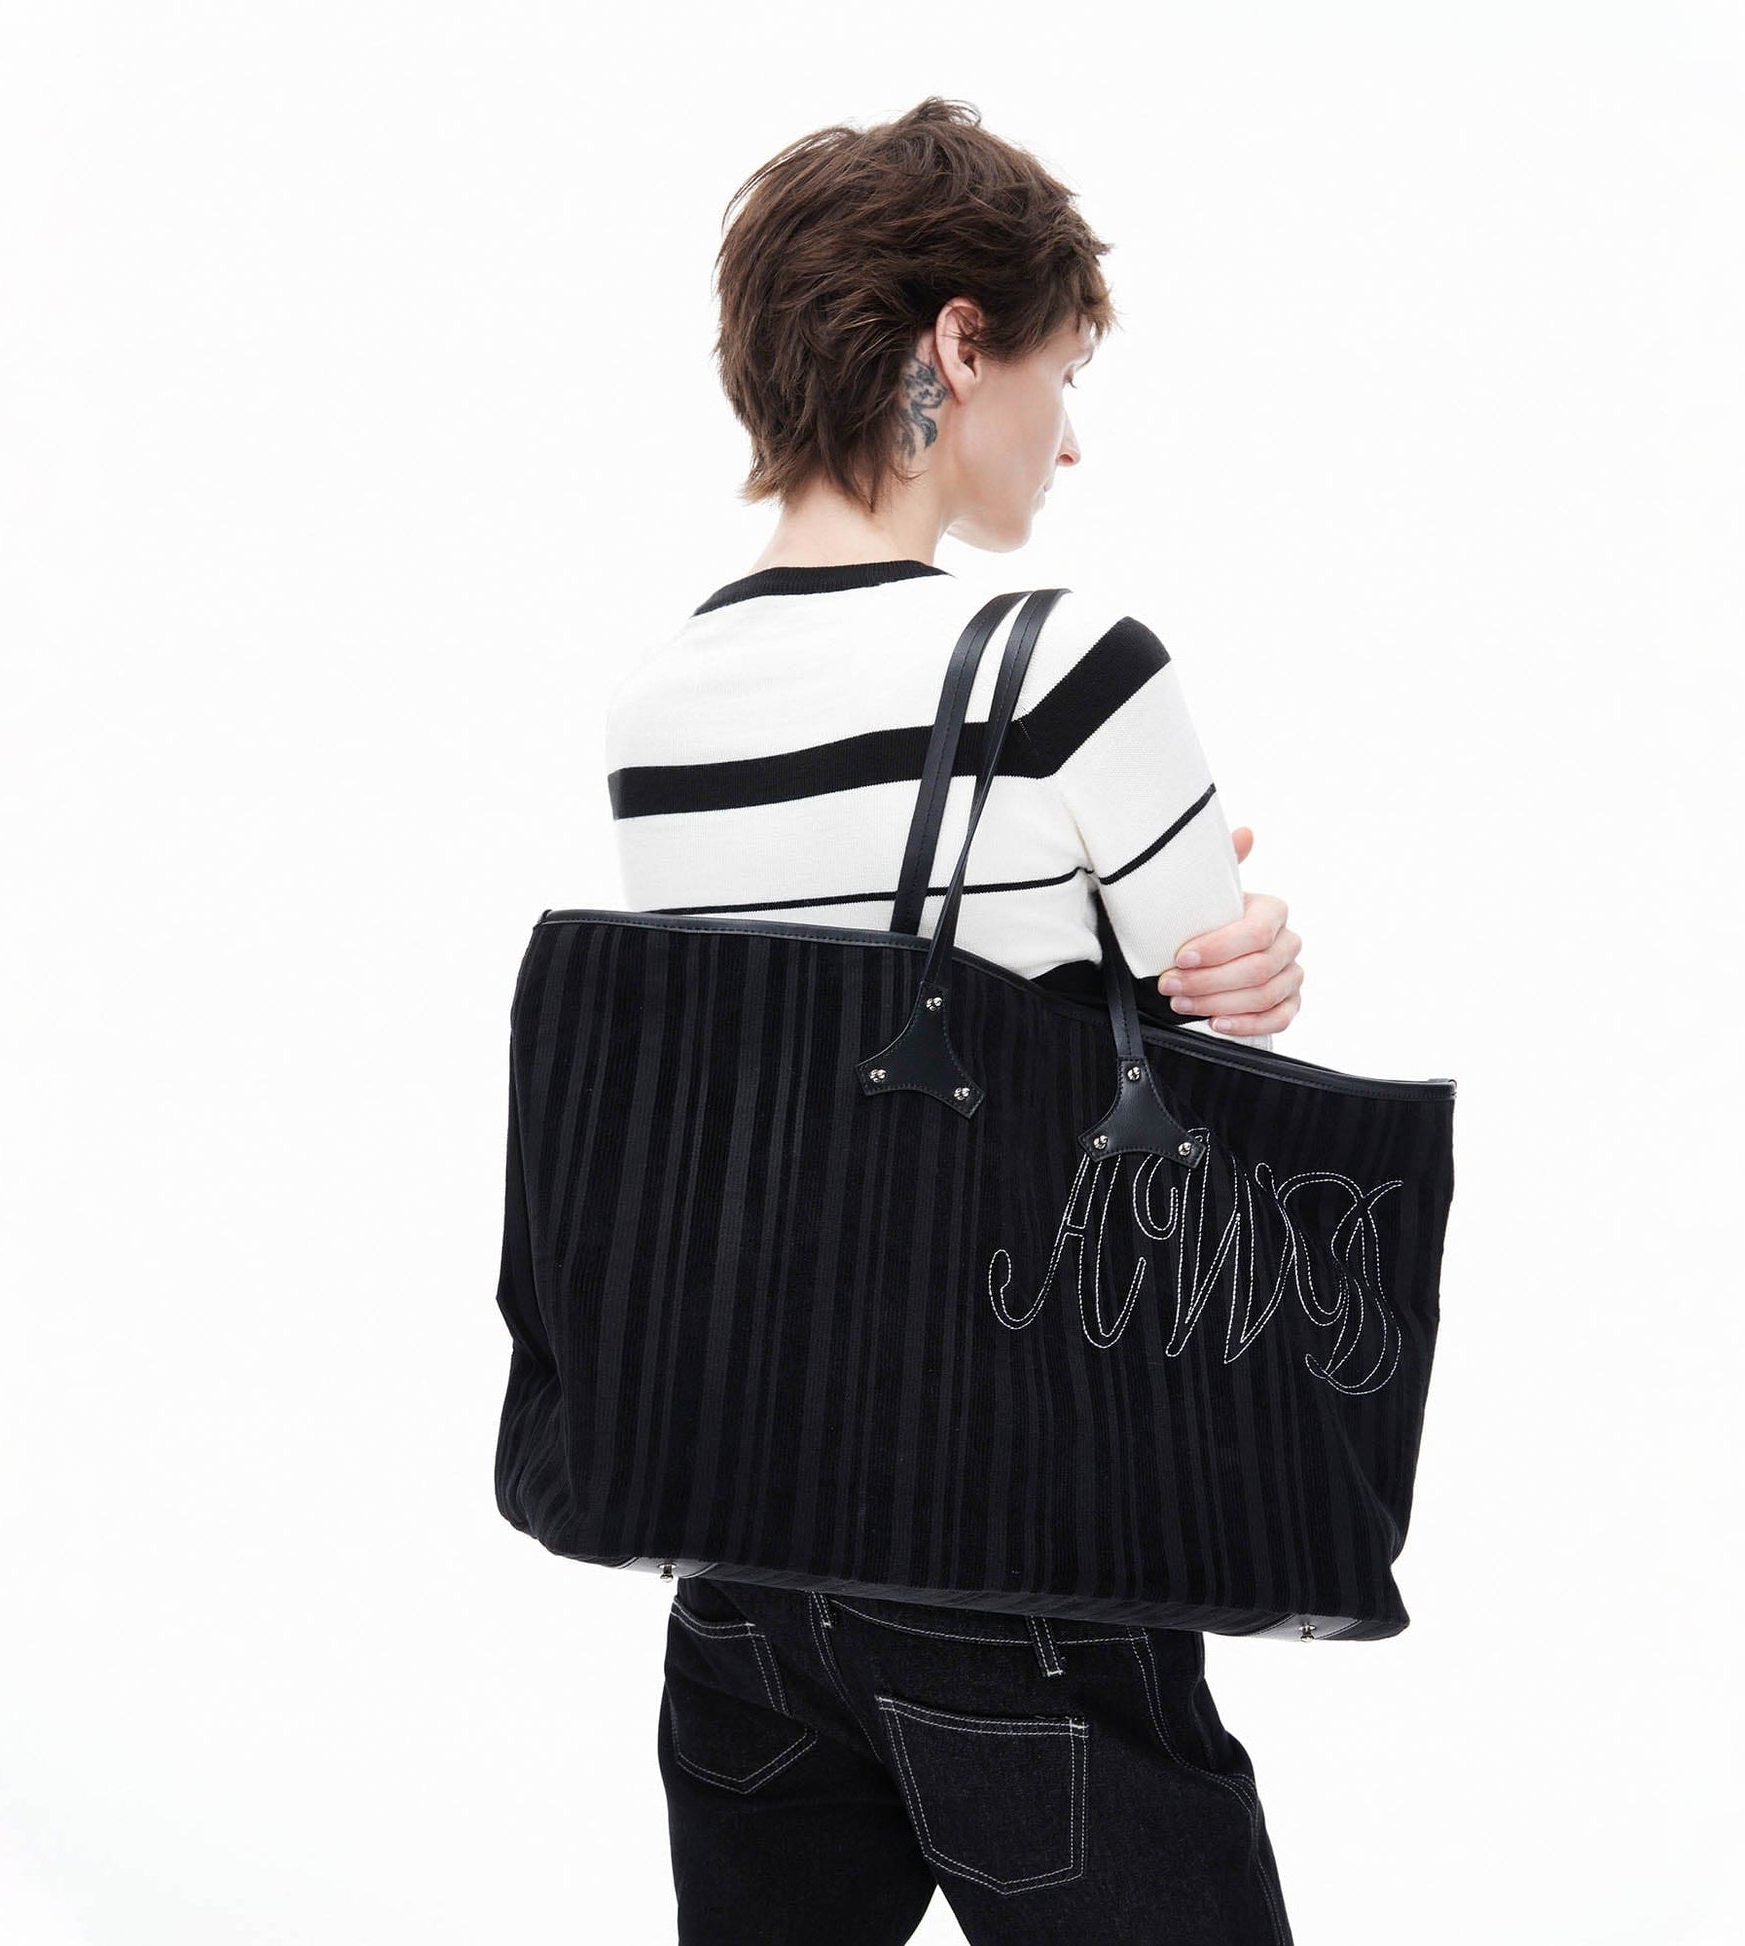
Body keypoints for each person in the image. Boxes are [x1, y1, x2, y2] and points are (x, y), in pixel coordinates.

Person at [603, 97, 1305, 1945]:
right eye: (1060, 373)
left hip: (740, 1558)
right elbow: (1215, 1086)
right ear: (957, 342)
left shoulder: (658, 708)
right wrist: (1243, 954)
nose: (1068, 440)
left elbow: (781, 1082)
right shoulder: (1069, 668)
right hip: (1014, 1548)